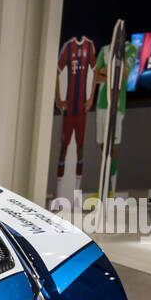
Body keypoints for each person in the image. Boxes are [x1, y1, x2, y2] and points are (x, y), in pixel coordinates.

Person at [92, 38, 138, 199]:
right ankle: (105, 189)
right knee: (102, 146)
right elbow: (95, 77)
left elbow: (123, 75)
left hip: (117, 105)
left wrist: (105, 70)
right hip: (101, 103)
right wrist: (112, 72)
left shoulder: (131, 48)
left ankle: (109, 190)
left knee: (113, 146)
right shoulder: (104, 48)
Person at [55, 36, 96, 193]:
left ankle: (76, 194)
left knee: (80, 147)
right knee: (63, 149)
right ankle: (59, 192)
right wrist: (59, 99)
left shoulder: (89, 46)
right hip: (69, 110)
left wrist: (91, 98)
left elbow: (95, 73)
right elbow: (57, 73)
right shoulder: (68, 47)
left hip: (81, 110)